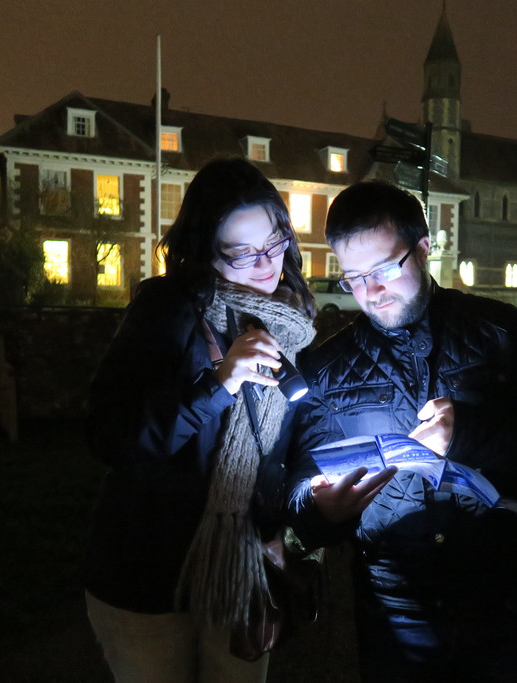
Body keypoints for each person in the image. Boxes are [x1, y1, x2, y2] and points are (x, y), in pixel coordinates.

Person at [287, 180, 517, 682]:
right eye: (353, 278)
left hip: (496, 598)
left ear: (424, 249)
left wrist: (468, 433)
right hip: (392, 609)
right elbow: (295, 488)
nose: (370, 292)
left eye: (384, 270)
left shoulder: (499, 330)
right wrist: (321, 513)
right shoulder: (324, 367)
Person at [83, 157, 317, 683]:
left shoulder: (289, 321)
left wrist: (281, 531)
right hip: (150, 573)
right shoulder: (168, 309)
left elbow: (280, 449)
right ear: (206, 249)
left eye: (276, 242)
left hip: (243, 571)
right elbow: (111, 435)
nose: (265, 264)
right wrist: (218, 384)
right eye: (242, 252)